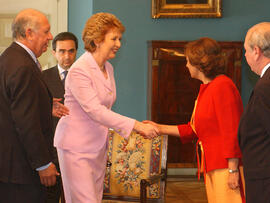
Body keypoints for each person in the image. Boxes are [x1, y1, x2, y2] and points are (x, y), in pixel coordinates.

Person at [54, 12, 159, 203]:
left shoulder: (108, 68)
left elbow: (105, 109)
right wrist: (136, 125)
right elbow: (96, 111)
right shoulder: (79, 70)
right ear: (97, 40)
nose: (119, 44)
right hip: (76, 148)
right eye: (114, 38)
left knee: (95, 198)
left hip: (97, 147)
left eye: (119, 38)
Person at [145, 37, 245, 203]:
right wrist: (158, 127)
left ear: (200, 63)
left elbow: (231, 131)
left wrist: (233, 170)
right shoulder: (206, 88)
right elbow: (193, 130)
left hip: (225, 167)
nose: (186, 65)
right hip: (213, 166)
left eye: (188, 61)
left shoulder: (222, 86)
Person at [0, 8, 68, 203]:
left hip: (11, 169)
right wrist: (43, 164)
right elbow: (26, 122)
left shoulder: (10, 58)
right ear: (29, 33)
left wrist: (45, 106)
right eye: (46, 31)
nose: (50, 36)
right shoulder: (23, 66)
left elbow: (10, 106)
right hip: (22, 171)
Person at [42, 32, 78, 203]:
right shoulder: (42, 77)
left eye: (71, 51)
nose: (67, 56)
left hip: (78, 150)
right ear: (53, 52)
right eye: (62, 51)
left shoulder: (84, 76)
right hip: (51, 150)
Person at [238, 22, 270, 203]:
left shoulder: (265, 87)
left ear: (256, 51)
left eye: (246, 50)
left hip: (265, 179)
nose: (245, 55)